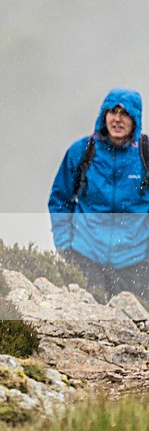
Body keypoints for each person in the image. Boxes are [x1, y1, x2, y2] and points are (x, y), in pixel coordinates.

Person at [48, 87, 149, 300]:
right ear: (104, 115)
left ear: (136, 119)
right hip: (85, 258)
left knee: (135, 329)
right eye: (112, 112)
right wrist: (65, 246)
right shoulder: (82, 151)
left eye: (125, 113)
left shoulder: (145, 155)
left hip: (136, 265)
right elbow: (60, 200)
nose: (118, 120)